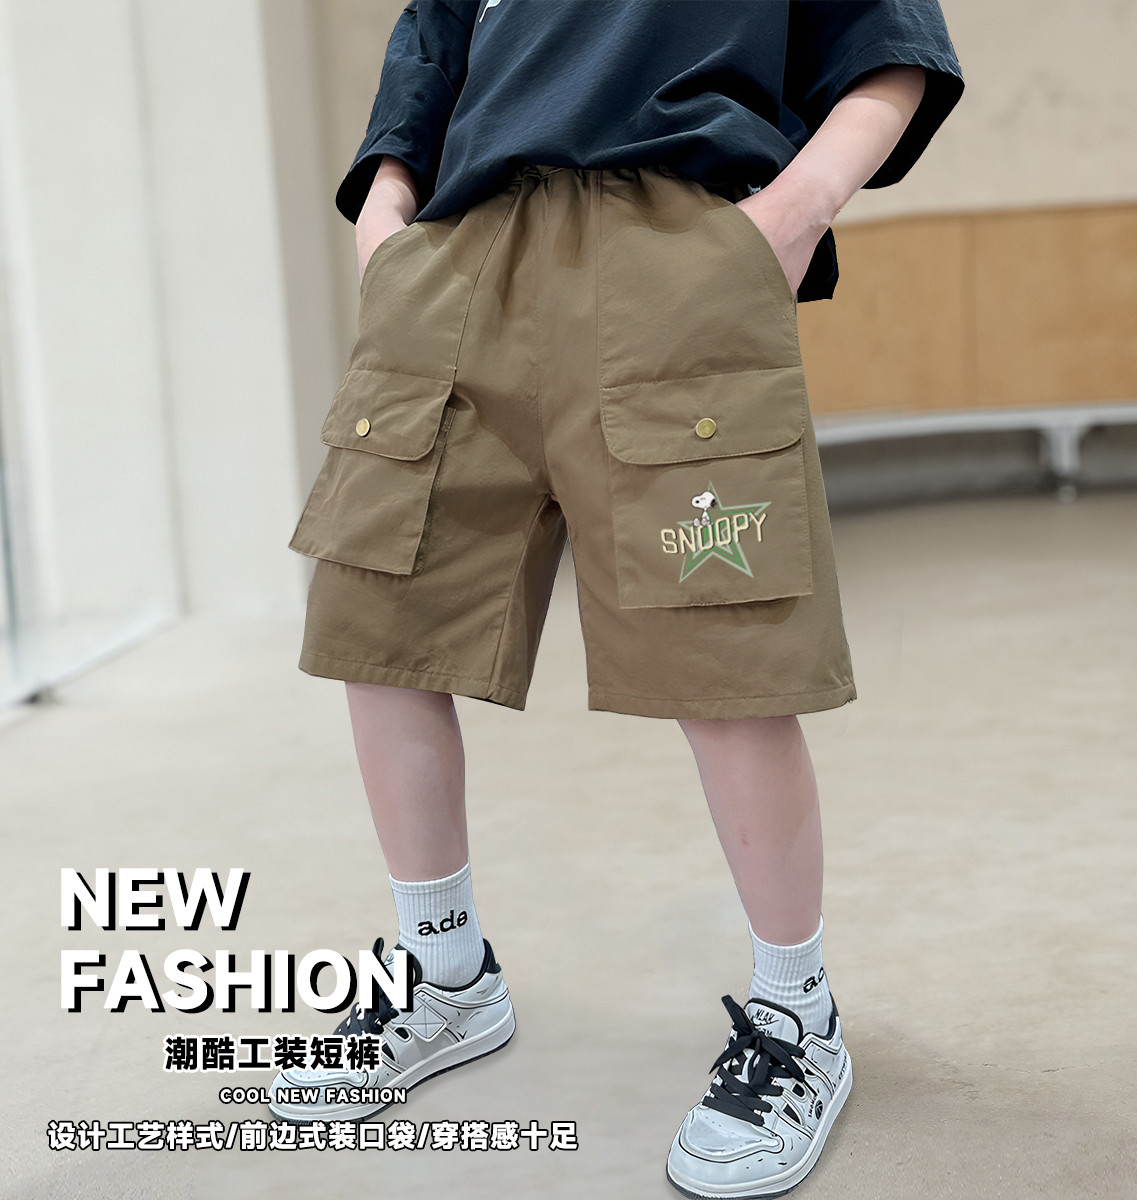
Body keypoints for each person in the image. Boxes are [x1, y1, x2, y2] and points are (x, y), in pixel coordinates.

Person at [270, 2, 963, 1195]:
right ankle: (446, 977)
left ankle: (796, 1015)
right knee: (380, 627)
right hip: (457, 260)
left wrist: (787, 219)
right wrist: (387, 225)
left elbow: (889, 48)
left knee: (726, 661)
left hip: (672, 257)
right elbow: (427, 53)